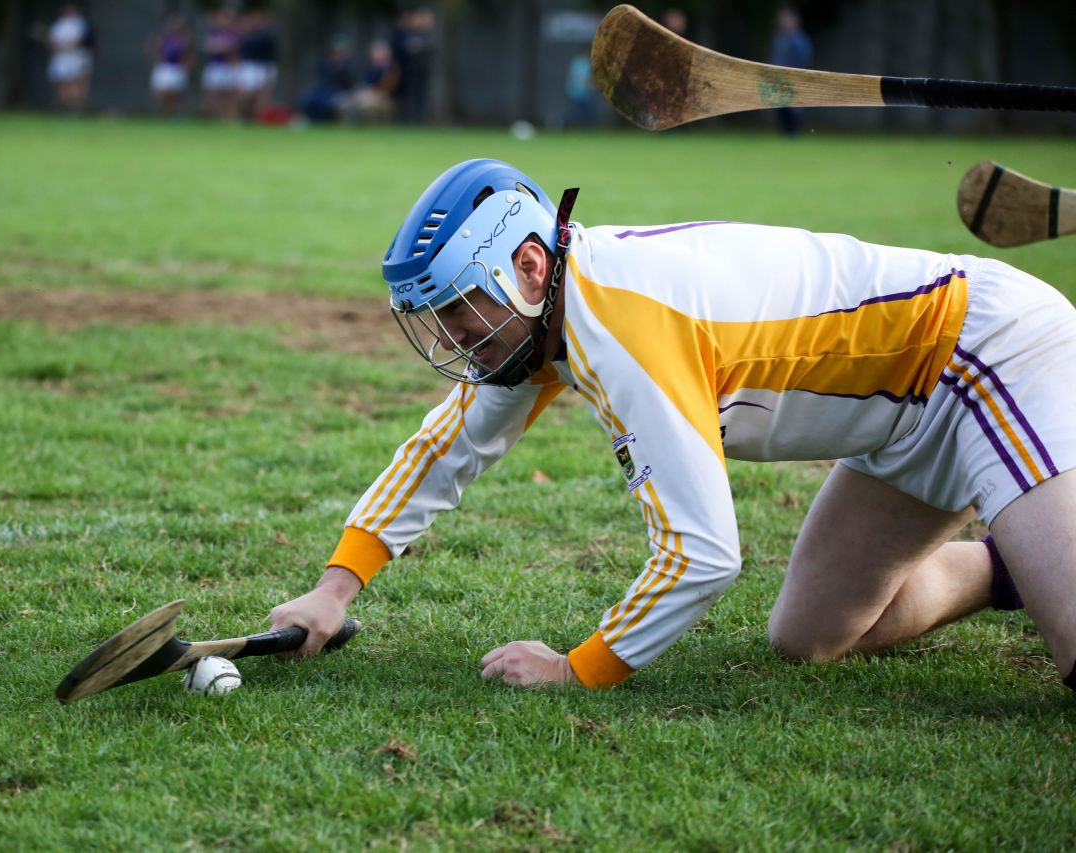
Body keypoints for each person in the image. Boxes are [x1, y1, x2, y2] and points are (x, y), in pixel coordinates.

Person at [269, 158, 1076, 695]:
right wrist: (333, 589)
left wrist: (576, 668)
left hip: (982, 359)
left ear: (527, 267)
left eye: (458, 311)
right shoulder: (550, 318)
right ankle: (1012, 564)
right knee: (812, 637)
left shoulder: (618, 326)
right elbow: (447, 446)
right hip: (898, 426)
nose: (452, 341)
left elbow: (702, 553)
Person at [768, 7, 813, 136]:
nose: (783, 22)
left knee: (793, 109)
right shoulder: (779, 39)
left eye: (786, 19)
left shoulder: (800, 40)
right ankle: (785, 135)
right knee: (780, 108)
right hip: (778, 80)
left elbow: (804, 59)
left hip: (794, 79)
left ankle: (793, 134)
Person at [46, 3, 92, 113]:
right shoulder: (59, 25)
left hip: (75, 59)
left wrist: (65, 45)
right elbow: (51, 44)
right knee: (62, 84)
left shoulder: (79, 23)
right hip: (61, 59)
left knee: (76, 83)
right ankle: (64, 108)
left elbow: (79, 40)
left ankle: (76, 109)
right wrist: (55, 46)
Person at [200, 8, 242, 120]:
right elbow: (209, 47)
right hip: (215, 66)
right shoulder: (213, 32)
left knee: (229, 93)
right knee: (213, 92)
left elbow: (233, 48)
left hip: (228, 66)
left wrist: (220, 47)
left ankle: (230, 116)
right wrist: (222, 46)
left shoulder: (233, 33)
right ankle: (217, 115)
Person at [149, 13, 193, 116]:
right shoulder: (163, 38)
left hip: (177, 67)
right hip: (164, 67)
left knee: (174, 94)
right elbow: (154, 51)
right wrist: (156, 60)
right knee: (158, 92)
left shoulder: (184, 40)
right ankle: (162, 114)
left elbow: (189, 55)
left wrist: (186, 66)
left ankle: (173, 114)